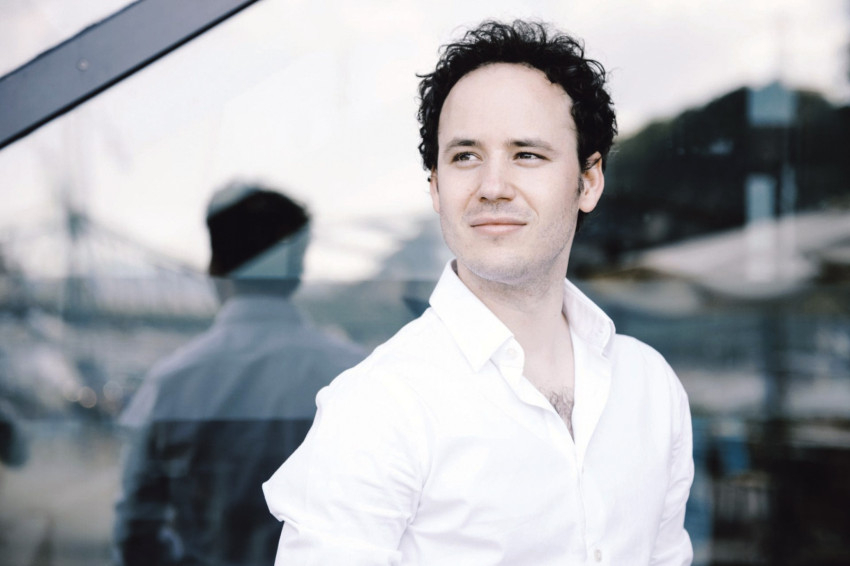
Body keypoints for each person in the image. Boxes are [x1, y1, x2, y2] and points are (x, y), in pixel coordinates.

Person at [263, 20, 694, 565]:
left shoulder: (650, 386)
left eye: (527, 154)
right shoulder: (378, 406)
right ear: (435, 187)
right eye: (465, 156)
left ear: (588, 182)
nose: (492, 187)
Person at [113, 183, 365, 565]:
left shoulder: (172, 384)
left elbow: (136, 535)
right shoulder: (356, 375)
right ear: (297, 271)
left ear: (215, 268)